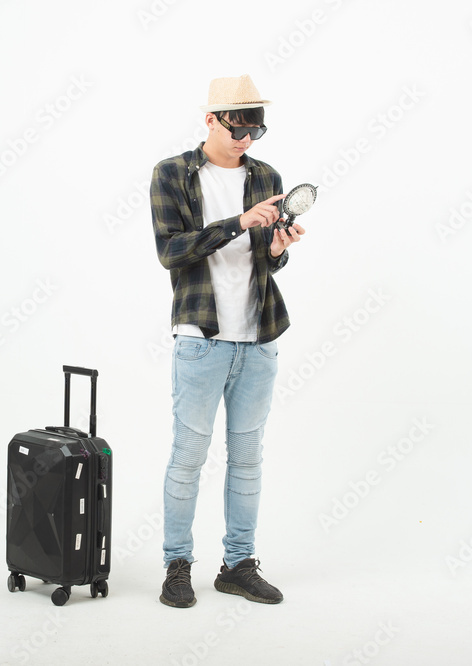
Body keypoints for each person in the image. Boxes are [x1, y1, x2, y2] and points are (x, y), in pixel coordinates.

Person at [150, 74, 304, 608]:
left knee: (247, 457)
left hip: (258, 338)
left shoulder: (267, 176)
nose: (245, 139)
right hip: (201, 339)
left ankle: (238, 564)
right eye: (237, 127)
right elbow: (171, 251)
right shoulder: (172, 174)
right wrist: (238, 222)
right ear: (212, 118)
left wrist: (279, 246)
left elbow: (268, 261)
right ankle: (177, 566)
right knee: (188, 456)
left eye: (255, 130)